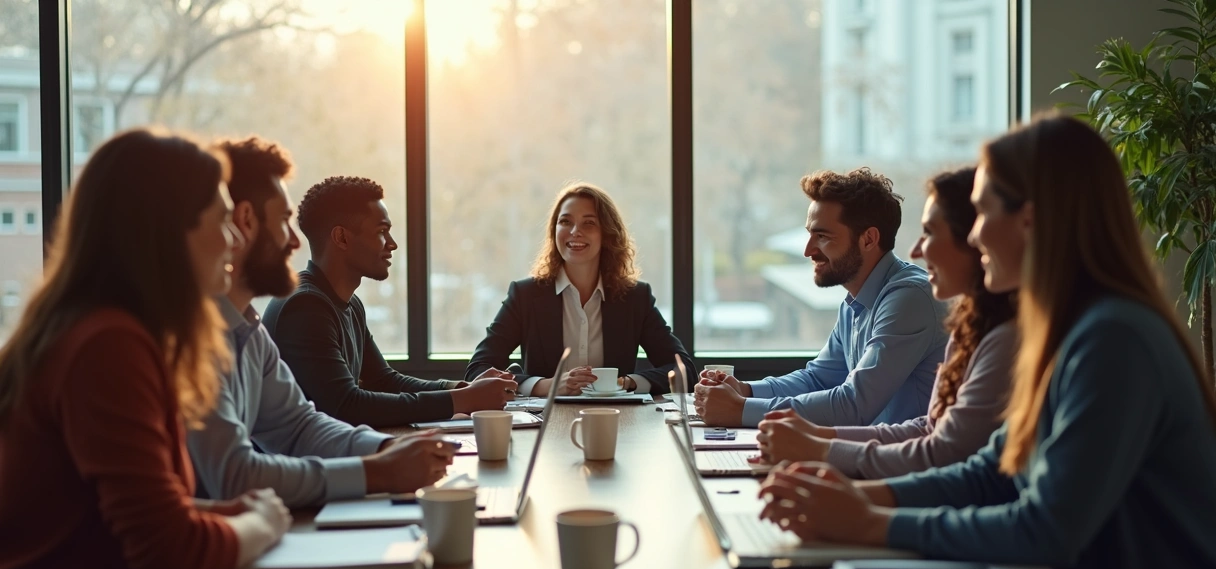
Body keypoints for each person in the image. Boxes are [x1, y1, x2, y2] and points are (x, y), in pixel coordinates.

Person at [757, 115, 1216, 569]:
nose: (973, 235)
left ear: (1029, 220)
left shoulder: (1113, 337)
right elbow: (988, 471)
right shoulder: (1069, 329)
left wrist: (870, 522)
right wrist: (856, 499)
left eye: (981, 211)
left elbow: (1047, 528)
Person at [0, 129, 291, 569]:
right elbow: (171, 554)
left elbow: (116, 512)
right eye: (222, 221)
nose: (233, 240)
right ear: (169, 230)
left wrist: (220, 513)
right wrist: (262, 527)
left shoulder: (110, 332)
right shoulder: (106, 345)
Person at [188, 138, 454, 509]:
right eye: (284, 221)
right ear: (246, 221)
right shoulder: (189, 340)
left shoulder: (249, 330)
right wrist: (378, 471)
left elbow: (300, 426)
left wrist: (387, 448)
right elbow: (232, 477)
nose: (296, 242)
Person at [755, 168, 1017, 478]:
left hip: (911, 479)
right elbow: (928, 430)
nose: (915, 250)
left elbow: (938, 449)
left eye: (930, 232)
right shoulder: (969, 324)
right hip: (905, 475)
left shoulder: (914, 298)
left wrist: (821, 451)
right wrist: (749, 396)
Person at [695, 168, 948, 427]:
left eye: (823, 236)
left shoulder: (909, 299)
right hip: (872, 457)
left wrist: (740, 410)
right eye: (810, 234)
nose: (808, 250)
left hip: (902, 463)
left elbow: (854, 404)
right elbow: (817, 379)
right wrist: (745, 391)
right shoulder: (855, 303)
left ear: (869, 239)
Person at [263, 176, 517, 429]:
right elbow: (345, 406)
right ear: (341, 238)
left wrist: (461, 388)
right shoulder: (305, 308)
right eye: (382, 232)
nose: (392, 244)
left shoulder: (349, 304)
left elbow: (383, 380)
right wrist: (461, 400)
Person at [465, 182, 693, 396]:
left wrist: (625, 383)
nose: (575, 231)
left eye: (589, 223)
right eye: (565, 221)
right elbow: (478, 369)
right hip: (544, 426)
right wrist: (548, 385)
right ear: (554, 231)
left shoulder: (635, 298)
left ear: (607, 235)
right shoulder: (525, 296)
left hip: (618, 424)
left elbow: (684, 370)